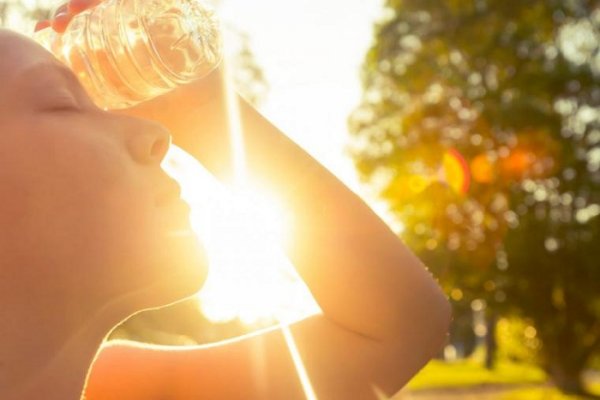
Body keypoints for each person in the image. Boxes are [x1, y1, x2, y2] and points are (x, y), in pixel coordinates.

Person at [1, 1, 451, 398]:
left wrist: (205, 112)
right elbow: (396, 330)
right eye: (62, 102)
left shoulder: (116, 389)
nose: (159, 136)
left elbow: (401, 324)